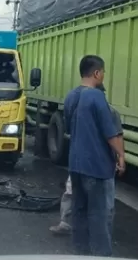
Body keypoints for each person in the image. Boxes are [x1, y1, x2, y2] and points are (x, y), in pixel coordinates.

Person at [67, 55, 125, 257]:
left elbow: (70, 127)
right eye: (103, 73)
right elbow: (110, 134)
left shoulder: (71, 96)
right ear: (97, 73)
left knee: (79, 211)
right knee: (99, 215)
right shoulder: (97, 97)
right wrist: (121, 156)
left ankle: (80, 252)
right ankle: (101, 255)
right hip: (97, 166)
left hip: (75, 165)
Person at [51, 84, 123, 236]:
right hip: (93, 163)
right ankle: (82, 228)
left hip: (90, 163)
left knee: (87, 198)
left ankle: (91, 230)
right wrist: (120, 157)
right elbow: (116, 137)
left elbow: (116, 136)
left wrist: (120, 157)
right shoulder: (90, 112)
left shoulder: (108, 113)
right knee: (92, 198)